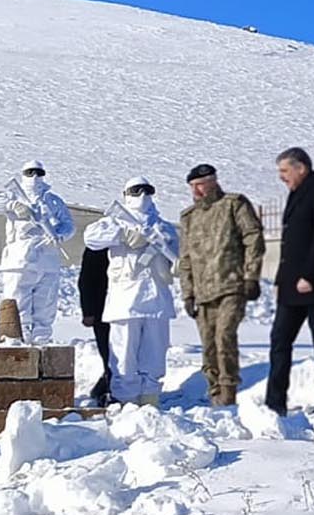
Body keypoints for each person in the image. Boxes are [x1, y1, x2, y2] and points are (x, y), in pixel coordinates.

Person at [83, 178, 180, 407]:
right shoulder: (114, 222)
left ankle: (150, 401)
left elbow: (176, 259)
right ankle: (124, 401)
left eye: (148, 190)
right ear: (126, 193)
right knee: (123, 356)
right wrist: (123, 235)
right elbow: (91, 238)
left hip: (157, 300)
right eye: (137, 191)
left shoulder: (163, 226)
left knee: (154, 356)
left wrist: (169, 254)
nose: (143, 195)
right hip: (125, 299)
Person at [177, 164, 264, 407]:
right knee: (208, 345)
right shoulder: (189, 217)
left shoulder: (233, 205)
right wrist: (188, 293)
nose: (196, 190)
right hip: (203, 293)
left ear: (213, 182)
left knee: (224, 336)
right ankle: (215, 392)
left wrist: (251, 276)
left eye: (200, 185)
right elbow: (185, 259)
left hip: (231, 285)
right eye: (192, 187)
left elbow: (253, 238)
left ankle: (228, 391)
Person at [267, 148, 314, 415]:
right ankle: (274, 401)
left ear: (301, 168)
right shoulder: (296, 193)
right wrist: (282, 279)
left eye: (285, 171)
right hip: (292, 285)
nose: (282, 177)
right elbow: (290, 243)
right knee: (279, 340)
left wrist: (309, 275)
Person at [0, 161, 76, 343]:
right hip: (20, 259)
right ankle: (16, 340)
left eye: (39, 172)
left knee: (45, 306)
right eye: (30, 172)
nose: (34, 176)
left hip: (47, 258)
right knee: (17, 303)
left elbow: (69, 224)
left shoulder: (53, 200)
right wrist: (13, 205)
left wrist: (60, 235)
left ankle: (41, 342)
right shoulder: (14, 194)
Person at [78, 242, 112, 405]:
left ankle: (109, 384)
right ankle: (107, 386)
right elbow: (86, 278)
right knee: (108, 352)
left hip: (129, 306)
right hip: (101, 308)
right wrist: (88, 311)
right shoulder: (98, 242)